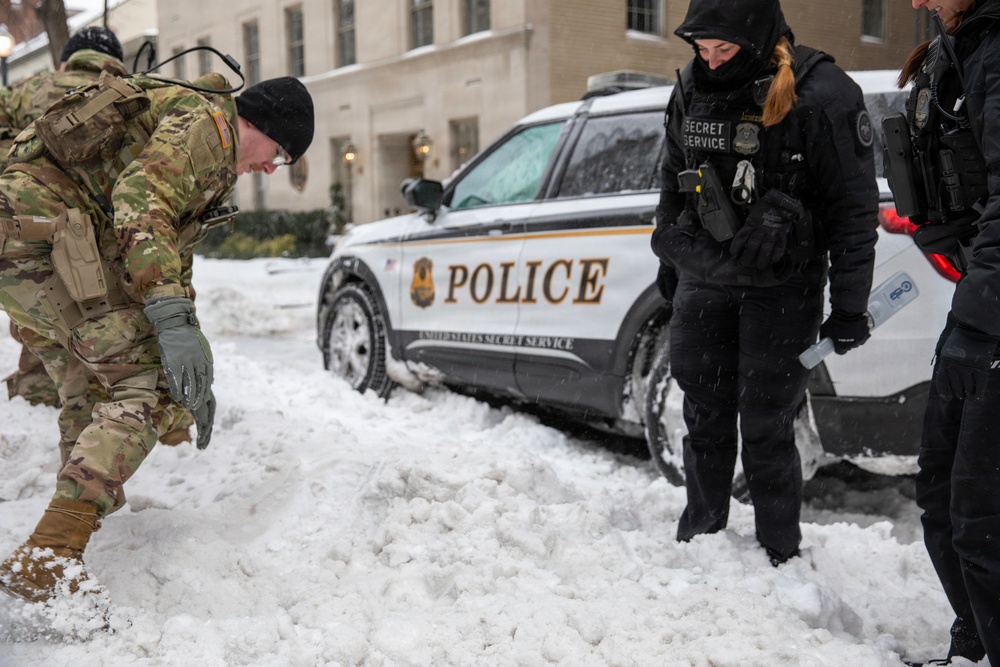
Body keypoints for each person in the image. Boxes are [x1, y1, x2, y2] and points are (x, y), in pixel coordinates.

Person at [0, 71, 314, 604]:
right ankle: (47, 561)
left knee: (92, 385)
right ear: (258, 124)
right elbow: (141, 200)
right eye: (279, 153)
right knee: (149, 386)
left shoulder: (195, 129)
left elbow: (168, 252)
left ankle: (81, 530)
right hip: (37, 241)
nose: (269, 167)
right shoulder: (210, 128)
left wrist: (193, 352)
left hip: (28, 234)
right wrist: (168, 327)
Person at [650, 0, 879, 566]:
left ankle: (779, 550)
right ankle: (701, 540)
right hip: (707, 275)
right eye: (701, 49)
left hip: (783, 286)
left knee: (767, 424)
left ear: (755, 40)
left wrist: (849, 308)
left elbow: (854, 212)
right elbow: (672, 180)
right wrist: (671, 267)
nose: (710, 60)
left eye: (723, 49)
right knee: (703, 413)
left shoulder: (821, 93)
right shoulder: (690, 87)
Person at [889, 0, 1000, 663]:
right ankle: (974, 639)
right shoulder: (956, 51)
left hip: (989, 316)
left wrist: (980, 320)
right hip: (977, 303)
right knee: (941, 496)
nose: (915, 2)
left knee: (979, 514)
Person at [0, 26, 127, 408]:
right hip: (103, 233)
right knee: (103, 320)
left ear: (66, 59)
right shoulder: (129, 98)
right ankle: (109, 399)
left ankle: (42, 393)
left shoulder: (27, 89)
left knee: (39, 319)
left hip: (29, 227)